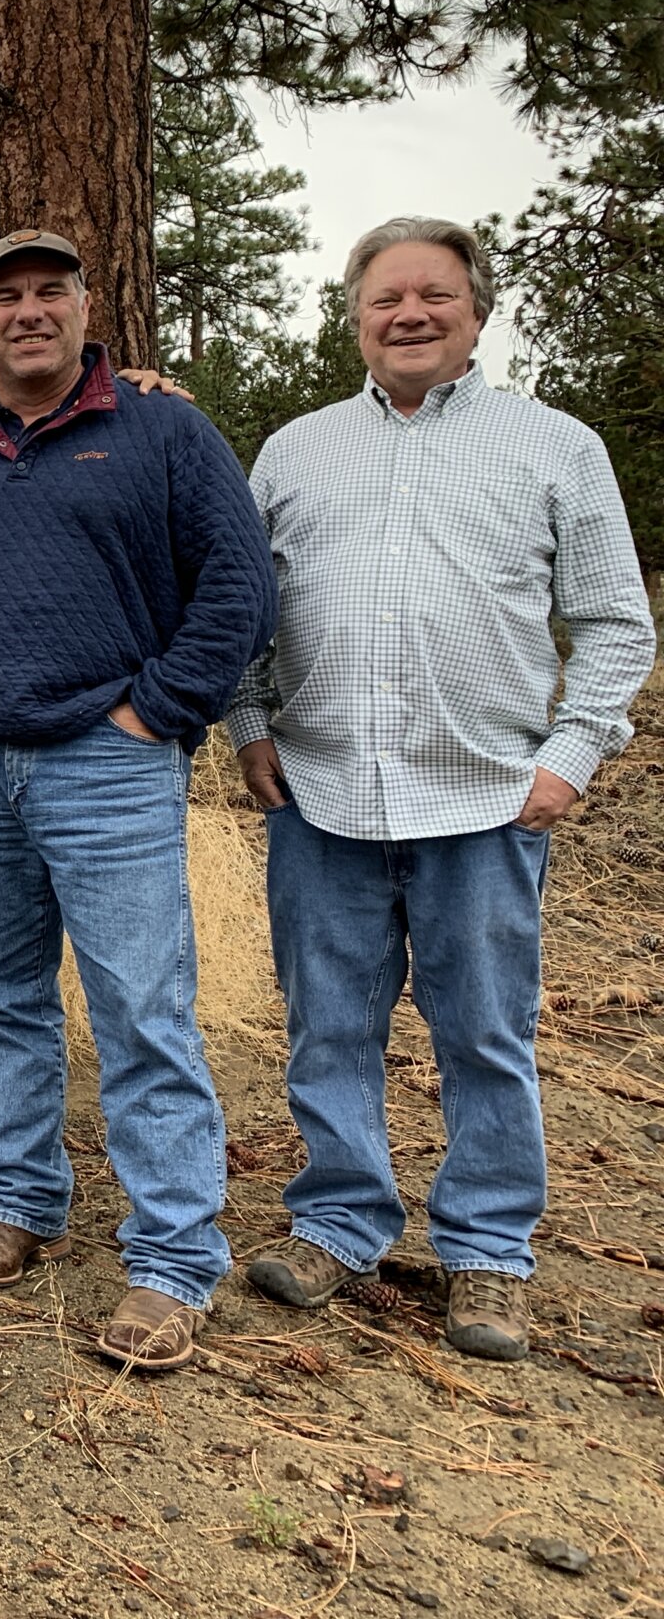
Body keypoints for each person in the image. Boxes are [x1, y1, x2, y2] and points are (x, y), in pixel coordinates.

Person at [228, 216, 653, 1362]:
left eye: (435, 297)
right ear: (354, 317)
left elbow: (615, 624)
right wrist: (250, 724)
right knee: (329, 1027)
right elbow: (245, 613)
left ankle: (486, 1254)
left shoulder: (554, 445)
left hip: (485, 798)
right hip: (319, 794)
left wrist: (570, 756)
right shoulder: (294, 450)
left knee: (483, 1032)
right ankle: (337, 1222)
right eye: (385, 299)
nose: (409, 315)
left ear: (476, 312)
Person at [0, 228, 276, 1371]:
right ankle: (21, 1204)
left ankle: (171, 1261)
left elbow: (240, 582)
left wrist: (158, 710)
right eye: (7, 295)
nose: (30, 310)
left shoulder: (159, 428)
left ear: (87, 306)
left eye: (52, 291)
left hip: (109, 761)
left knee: (141, 1007)